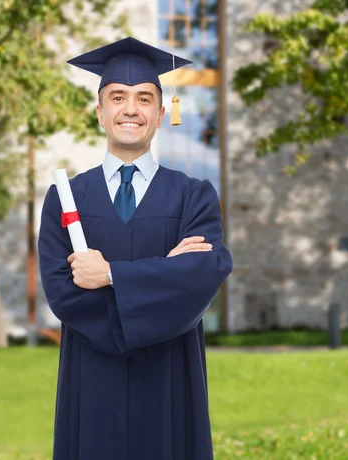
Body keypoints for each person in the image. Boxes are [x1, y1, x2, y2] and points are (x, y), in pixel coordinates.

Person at [37, 36, 233, 460]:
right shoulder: (65, 197)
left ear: (161, 114)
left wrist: (110, 277)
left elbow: (203, 274)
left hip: (168, 374)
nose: (130, 108)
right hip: (92, 377)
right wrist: (164, 275)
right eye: (117, 97)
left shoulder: (193, 196)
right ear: (100, 112)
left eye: (144, 98)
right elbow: (63, 293)